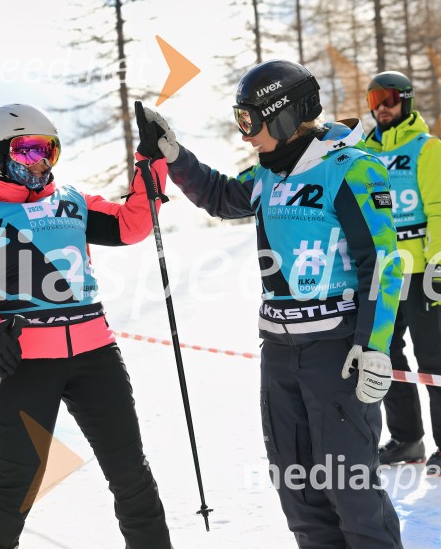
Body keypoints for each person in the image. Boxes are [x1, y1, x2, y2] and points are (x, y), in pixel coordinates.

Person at [138, 60, 404, 548]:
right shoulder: (267, 174)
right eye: (240, 123)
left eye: (251, 123)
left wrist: (375, 346)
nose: (246, 137)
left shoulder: (349, 168)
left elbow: (383, 264)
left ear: (283, 115)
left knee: (352, 494)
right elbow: (221, 196)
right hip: (280, 354)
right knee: (299, 494)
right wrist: (176, 157)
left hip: (337, 354)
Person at [0, 103, 172, 549]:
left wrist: (150, 161)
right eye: (27, 151)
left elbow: (133, 225)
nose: (39, 162)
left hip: (95, 356)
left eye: (48, 151)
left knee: (130, 473)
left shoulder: (73, 203)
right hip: (21, 362)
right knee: (18, 486)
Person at [361, 71, 441, 475]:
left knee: (432, 356)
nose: (381, 107)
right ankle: (407, 439)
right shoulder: (364, 151)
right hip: (382, 273)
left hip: (419, 269)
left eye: (388, 98)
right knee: (386, 356)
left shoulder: (429, 149)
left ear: (404, 100)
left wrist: (436, 265)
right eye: (374, 99)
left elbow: (439, 211)